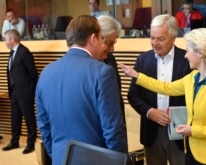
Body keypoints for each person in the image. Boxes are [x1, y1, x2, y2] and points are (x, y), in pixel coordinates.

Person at [119, 28, 206, 165]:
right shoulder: (193, 78)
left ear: (200, 53)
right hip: (192, 153)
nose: (185, 55)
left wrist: (193, 131)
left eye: (188, 50)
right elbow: (166, 88)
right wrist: (137, 76)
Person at [36, 15, 128, 165]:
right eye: (100, 38)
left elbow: (44, 125)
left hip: (60, 158)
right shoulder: (102, 72)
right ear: (93, 39)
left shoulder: (46, 72)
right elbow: (112, 130)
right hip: (96, 160)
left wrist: (57, 155)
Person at [127, 14, 192, 165]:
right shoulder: (142, 60)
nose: (155, 43)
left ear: (174, 37)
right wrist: (150, 112)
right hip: (151, 132)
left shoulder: (188, 60)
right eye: (152, 38)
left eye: (160, 39)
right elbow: (133, 95)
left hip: (180, 133)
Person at [2, 29, 38, 154]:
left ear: (12, 40)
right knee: (15, 118)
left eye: (5, 39)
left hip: (25, 92)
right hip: (14, 92)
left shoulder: (24, 52)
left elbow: (33, 74)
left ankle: (30, 143)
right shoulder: (12, 53)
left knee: (29, 118)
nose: (4, 42)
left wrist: (34, 91)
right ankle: (14, 141)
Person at [97, 15, 125, 124]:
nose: (112, 49)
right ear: (97, 38)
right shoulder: (85, 64)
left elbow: (117, 96)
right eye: (109, 43)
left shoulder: (110, 58)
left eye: (113, 43)